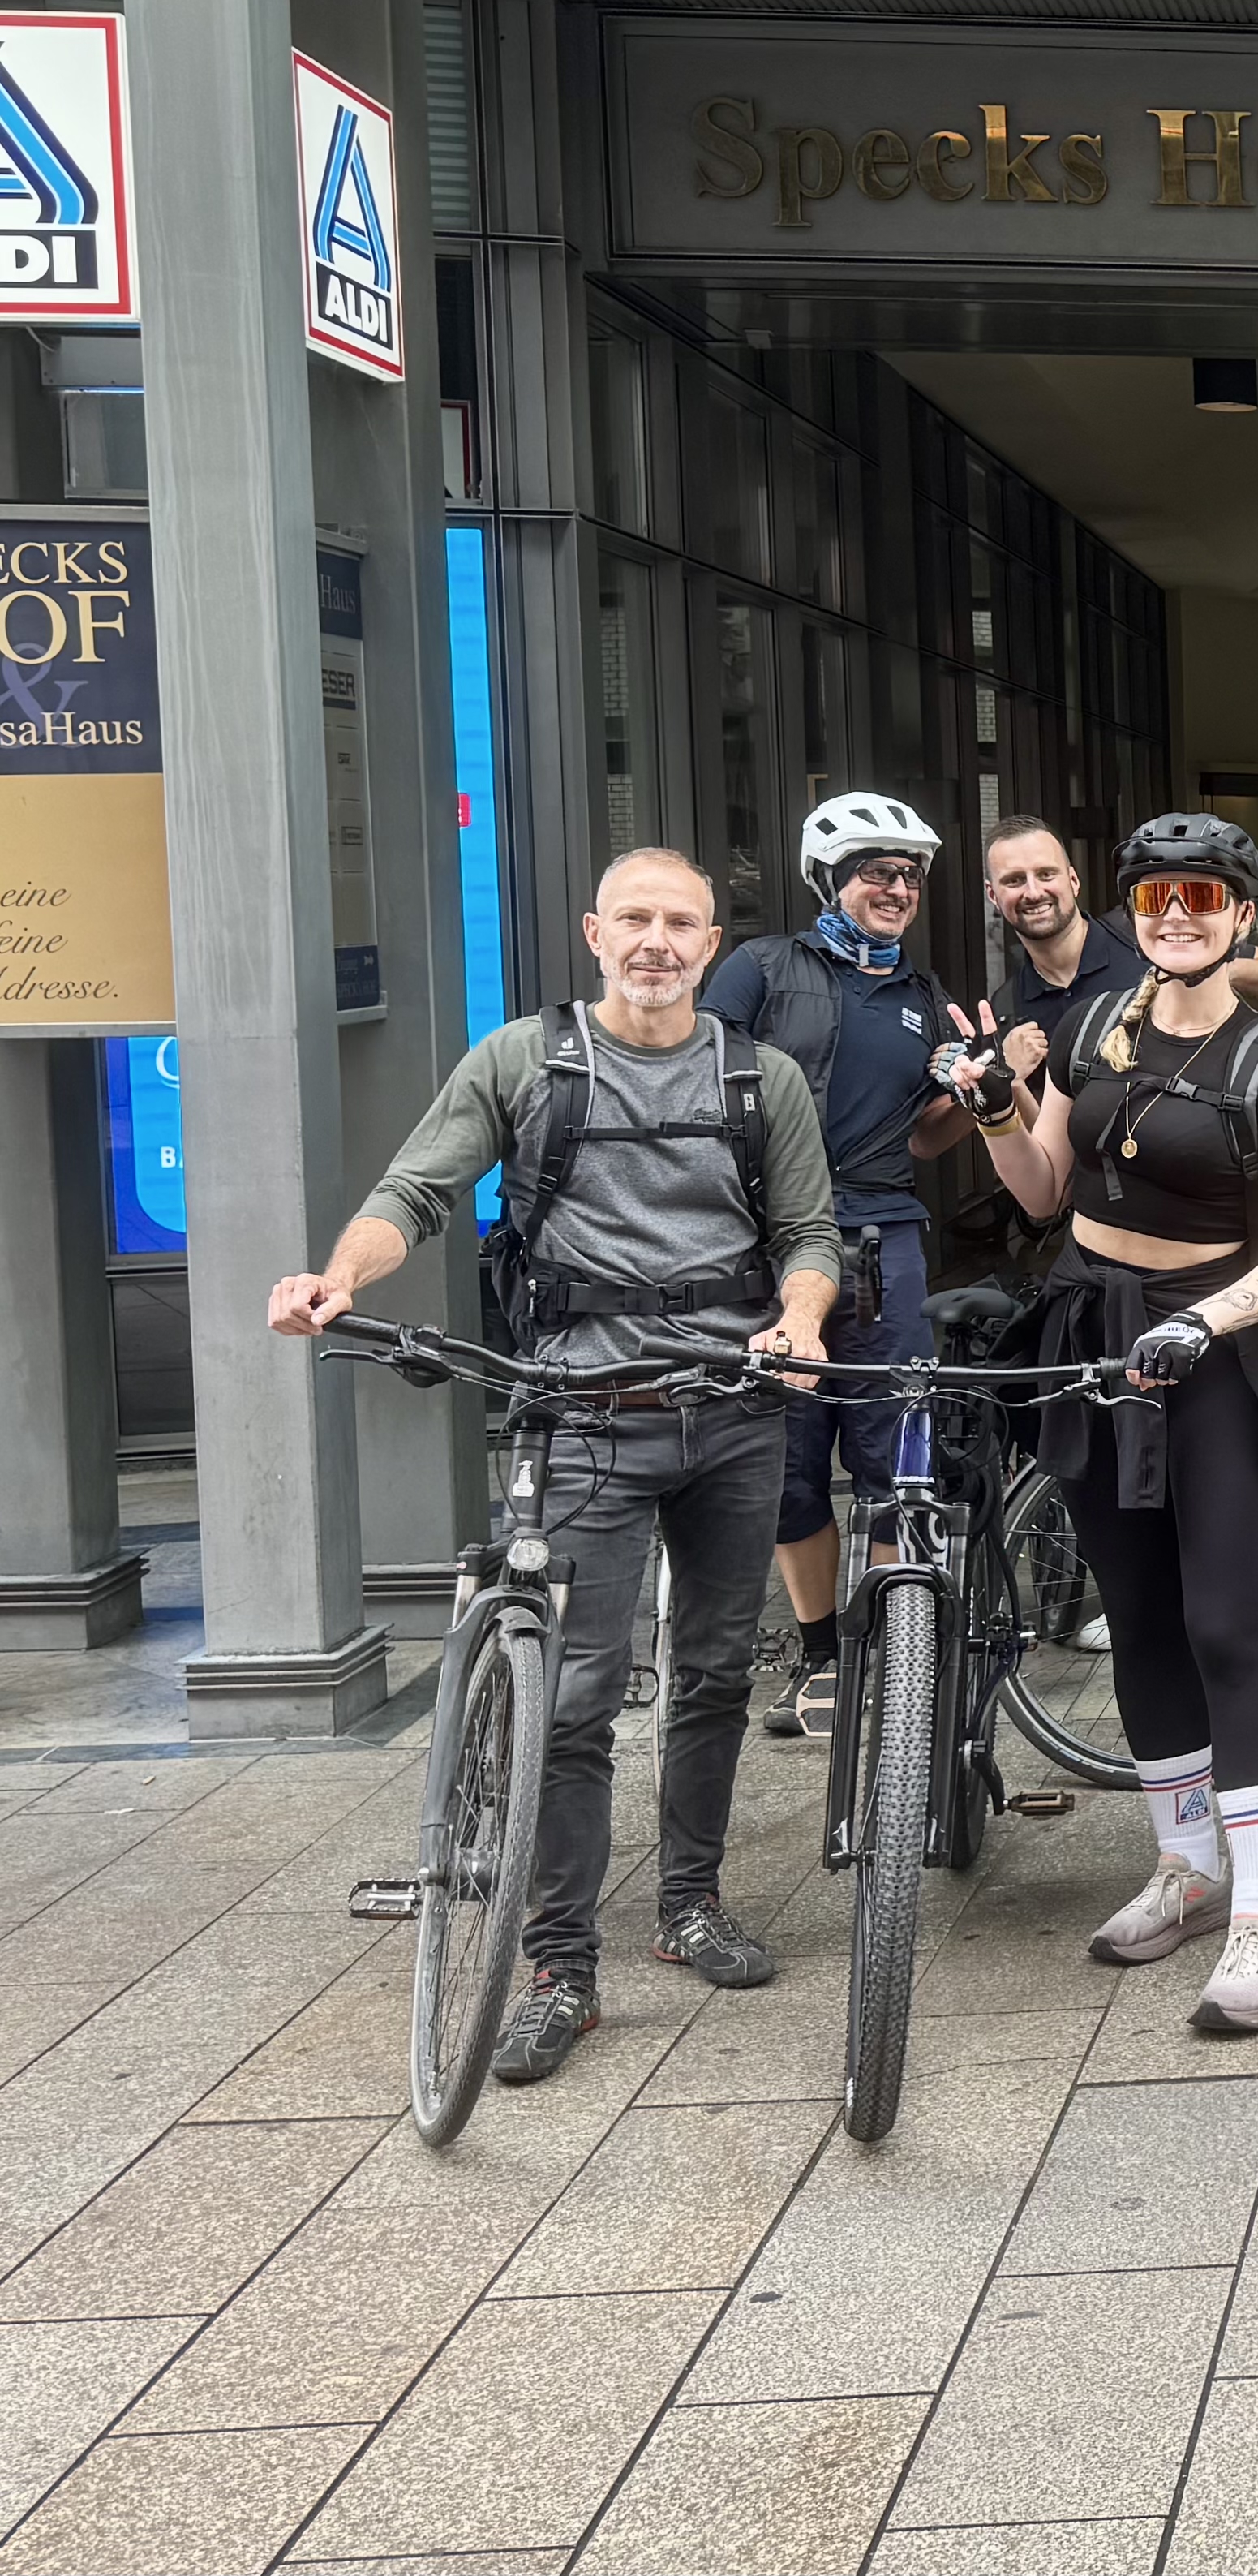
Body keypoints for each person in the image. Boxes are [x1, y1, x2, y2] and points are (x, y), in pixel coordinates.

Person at [267, 847, 837, 2083]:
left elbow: (807, 1231)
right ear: (594, 931)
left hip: (736, 1411)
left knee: (716, 1672)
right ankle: (560, 1963)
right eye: (634, 918)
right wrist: (338, 1278)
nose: (656, 941)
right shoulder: (523, 1060)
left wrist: (802, 1318)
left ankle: (689, 1907)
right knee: (575, 1700)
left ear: (711, 941)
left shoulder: (761, 1075)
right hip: (586, 1415)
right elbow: (416, 1189)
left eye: (681, 922)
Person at [955, 811, 1258, 2036]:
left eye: (1203, 898)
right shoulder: (1091, 1028)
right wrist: (999, 1109)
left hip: (1210, 1351)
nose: (1179, 917)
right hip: (1089, 1332)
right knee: (1139, 1619)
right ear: (1134, 914)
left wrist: (1202, 1321)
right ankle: (1186, 1863)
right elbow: (1047, 1189)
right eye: (1159, 899)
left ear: (1240, 917)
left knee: (1226, 1619)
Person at [702, 793, 974, 1739]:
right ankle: (821, 1656)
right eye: (876, 872)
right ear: (831, 878)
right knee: (789, 1466)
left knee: (895, 1453)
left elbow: (929, 1141)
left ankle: (895, 1656)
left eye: (908, 876)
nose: (896, 889)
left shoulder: (921, 995)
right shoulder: (761, 968)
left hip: (885, 1237)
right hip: (766, 1240)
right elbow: (699, 1073)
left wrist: (968, 1090)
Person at [985, 815, 1258, 1075]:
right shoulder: (1007, 1008)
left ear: (1073, 880)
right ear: (993, 897)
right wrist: (1007, 1080)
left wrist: (1199, 970)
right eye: (1014, 880)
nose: (1033, 891)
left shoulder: (1147, 930)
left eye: (1046, 874)